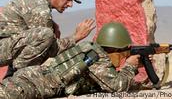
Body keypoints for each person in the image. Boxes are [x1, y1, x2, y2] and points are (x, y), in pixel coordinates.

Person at [0, 22, 141, 99]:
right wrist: (129, 66)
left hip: (32, 77)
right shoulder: (97, 57)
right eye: (123, 51)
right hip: (34, 84)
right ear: (116, 48)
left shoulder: (89, 49)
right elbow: (116, 86)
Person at [0, 0, 95, 73]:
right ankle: (20, 75)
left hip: (6, 47)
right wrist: (76, 37)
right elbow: (51, 49)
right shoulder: (40, 7)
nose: (70, 4)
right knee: (46, 35)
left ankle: (15, 75)